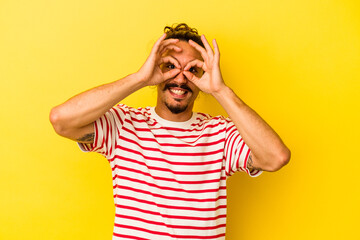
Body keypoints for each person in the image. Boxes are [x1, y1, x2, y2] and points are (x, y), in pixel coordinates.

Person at [50, 23, 290, 240]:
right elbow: (62, 120)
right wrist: (139, 79)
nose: (180, 78)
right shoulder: (124, 124)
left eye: (193, 70)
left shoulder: (220, 133)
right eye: (170, 66)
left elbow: (275, 157)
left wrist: (220, 90)